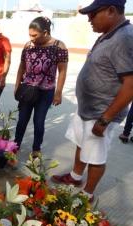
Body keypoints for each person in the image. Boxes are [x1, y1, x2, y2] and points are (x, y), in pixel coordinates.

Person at [52, 0, 133, 202]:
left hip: (101, 113)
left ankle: (87, 195)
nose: (89, 19)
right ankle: (75, 177)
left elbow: (130, 84)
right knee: (82, 143)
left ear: (111, 11)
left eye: (93, 14)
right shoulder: (108, 34)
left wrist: (105, 119)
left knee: (96, 156)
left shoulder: (125, 39)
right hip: (88, 109)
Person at [14, 17, 68, 157]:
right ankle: (15, 147)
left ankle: (36, 149)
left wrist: (58, 93)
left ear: (45, 32)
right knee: (21, 121)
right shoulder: (28, 46)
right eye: (29, 35)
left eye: (34, 35)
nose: (31, 38)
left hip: (46, 92)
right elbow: (21, 68)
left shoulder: (59, 46)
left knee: (39, 122)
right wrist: (17, 86)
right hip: (27, 89)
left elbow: (62, 71)